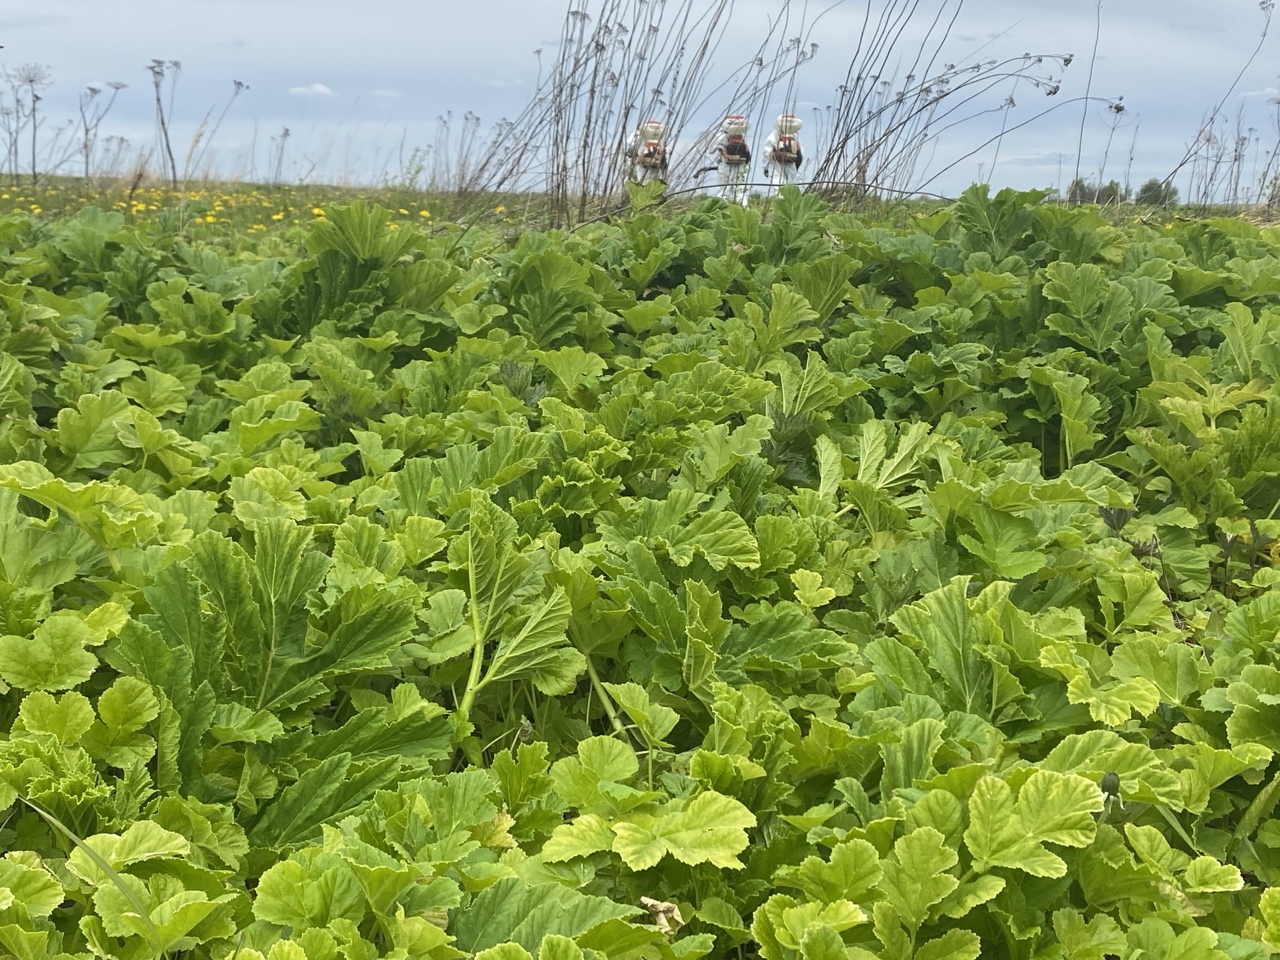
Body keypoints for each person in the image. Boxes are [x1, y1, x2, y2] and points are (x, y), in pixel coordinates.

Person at [712, 114, 751, 207]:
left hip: (725, 165)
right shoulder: (743, 137)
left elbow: (711, 150)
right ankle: (744, 210)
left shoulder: (721, 136)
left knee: (723, 192)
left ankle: (721, 211)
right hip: (740, 166)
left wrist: (719, 147)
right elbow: (747, 153)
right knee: (740, 192)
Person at [763, 114, 804, 188]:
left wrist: (765, 167)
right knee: (786, 187)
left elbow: (767, 153)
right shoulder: (795, 136)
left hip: (779, 165)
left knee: (780, 188)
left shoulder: (772, 136)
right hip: (783, 164)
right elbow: (800, 153)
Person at [625, 120, 669, 184]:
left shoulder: (659, 137)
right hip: (643, 164)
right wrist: (640, 156)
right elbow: (632, 148)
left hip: (655, 164)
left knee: (653, 182)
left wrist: (661, 154)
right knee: (643, 182)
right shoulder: (638, 134)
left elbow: (662, 151)